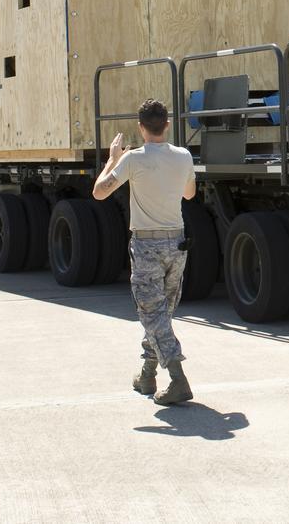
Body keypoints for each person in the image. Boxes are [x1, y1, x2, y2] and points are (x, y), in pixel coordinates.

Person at [93, 98, 198, 405]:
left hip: (147, 245)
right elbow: (189, 194)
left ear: (141, 127)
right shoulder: (184, 156)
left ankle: (178, 379)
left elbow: (99, 193)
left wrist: (113, 160)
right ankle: (147, 374)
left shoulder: (133, 159)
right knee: (160, 314)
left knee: (152, 314)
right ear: (167, 125)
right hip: (177, 245)